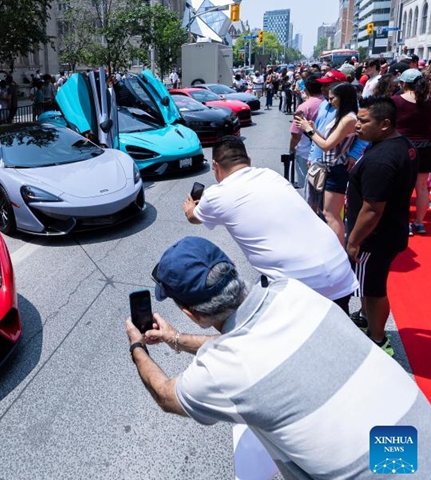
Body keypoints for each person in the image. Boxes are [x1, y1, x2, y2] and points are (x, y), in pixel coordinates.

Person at [125, 236, 431, 479]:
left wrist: (137, 346)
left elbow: (165, 395)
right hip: (418, 442)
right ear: (232, 266)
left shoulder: (220, 371)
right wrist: (175, 339)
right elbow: (251, 344)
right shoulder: (292, 290)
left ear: (191, 313)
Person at [182, 136, 357, 311]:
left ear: (215, 165)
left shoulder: (215, 195)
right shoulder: (270, 175)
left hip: (304, 286)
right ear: (248, 160)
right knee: (338, 326)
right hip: (340, 271)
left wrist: (190, 206)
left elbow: (193, 217)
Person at [347, 96, 418, 356]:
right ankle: (366, 318)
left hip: (374, 238)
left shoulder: (381, 160)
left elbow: (372, 210)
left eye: (364, 121)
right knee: (371, 283)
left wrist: (354, 241)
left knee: (373, 288)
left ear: (385, 124)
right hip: (389, 231)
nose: (357, 125)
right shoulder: (402, 145)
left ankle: (377, 340)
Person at [297, 77, 364, 245]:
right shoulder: (342, 115)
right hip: (328, 168)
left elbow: (327, 146)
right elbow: (328, 140)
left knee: (331, 214)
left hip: (336, 170)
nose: (329, 100)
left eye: (333, 97)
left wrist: (309, 130)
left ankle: (339, 251)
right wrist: (313, 129)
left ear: (343, 98)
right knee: (325, 211)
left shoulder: (349, 118)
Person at [391, 69, 431, 236]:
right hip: (426, 148)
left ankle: (405, 223)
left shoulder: (395, 101)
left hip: (403, 147)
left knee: (403, 188)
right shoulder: (429, 101)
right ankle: (420, 223)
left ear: (404, 83)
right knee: (422, 188)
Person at [288, 74, 324, 189]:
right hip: (327, 151)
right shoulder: (329, 104)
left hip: (306, 152)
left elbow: (295, 135)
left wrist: (291, 149)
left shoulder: (304, 107)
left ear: (306, 89)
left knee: (306, 187)